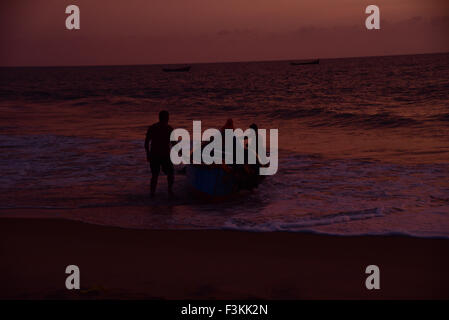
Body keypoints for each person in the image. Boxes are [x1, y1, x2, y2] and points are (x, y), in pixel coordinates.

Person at [144, 110, 174, 197]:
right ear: (167, 118)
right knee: (170, 173)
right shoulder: (169, 129)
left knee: (155, 175)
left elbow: (146, 143)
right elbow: (174, 143)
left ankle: (152, 193)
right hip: (165, 155)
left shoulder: (153, 127)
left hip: (154, 155)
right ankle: (170, 191)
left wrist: (148, 154)